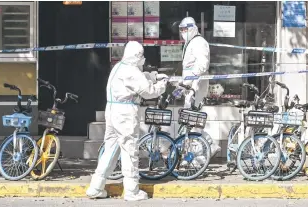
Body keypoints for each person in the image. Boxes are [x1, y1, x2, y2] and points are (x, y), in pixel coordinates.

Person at [86, 41, 168, 201]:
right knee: (130, 150)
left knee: (110, 150)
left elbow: (138, 78)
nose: (143, 59)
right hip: (125, 113)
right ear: (137, 56)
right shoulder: (131, 71)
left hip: (112, 111)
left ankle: (95, 187)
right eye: (142, 56)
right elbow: (148, 91)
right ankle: (131, 190)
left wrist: (153, 76)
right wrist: (161, 85)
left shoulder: (119, 67)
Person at [178, 17, 221, 158]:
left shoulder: (199, 42)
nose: (183, 32)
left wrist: (191, 79)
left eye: (185, 29)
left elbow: (202, 64)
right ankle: (197, 151)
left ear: (192, 28)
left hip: (196, 85)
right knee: (191, 120)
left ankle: (203, 150)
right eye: (181, 30)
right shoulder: (189, 43)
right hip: (190, 85)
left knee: (193, 120)